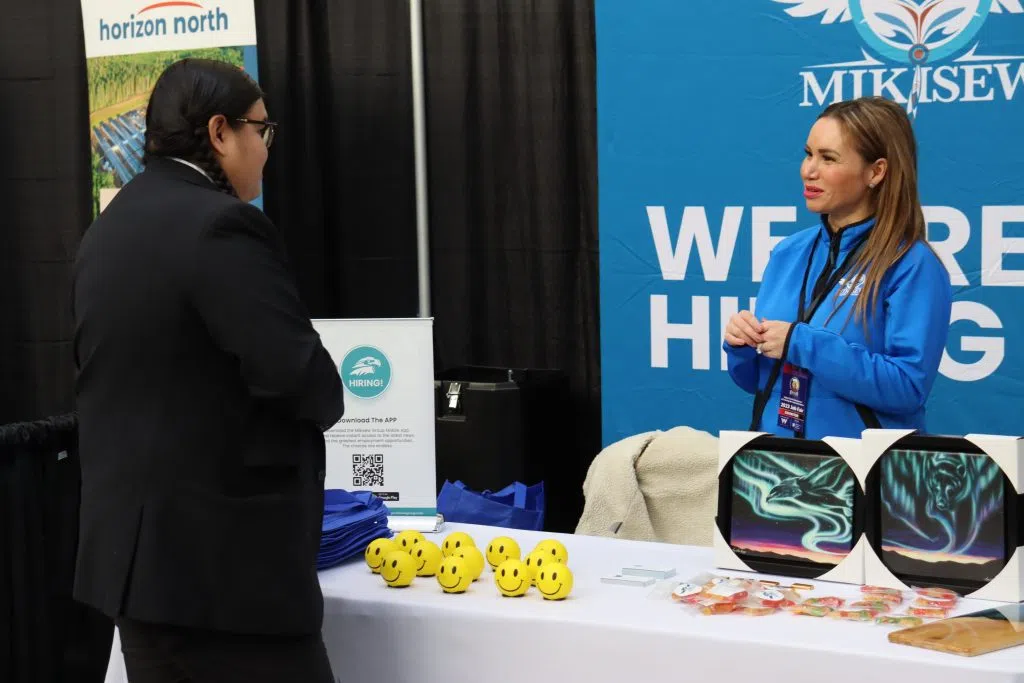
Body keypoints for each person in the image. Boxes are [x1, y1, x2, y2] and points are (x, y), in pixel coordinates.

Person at [72, 59, 343, 682]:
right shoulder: (221, 225)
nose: (266, 150)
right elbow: (301, 380)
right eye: (262, 130)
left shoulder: (105, 231)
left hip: (136, 569)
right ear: (220, 132)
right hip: (223, 577)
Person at [723, 96, 952, 440]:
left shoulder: (912, 264)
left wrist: (801, 343)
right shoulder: (788, 252)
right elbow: (757, 382)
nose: (808, 170)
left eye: (828, 158)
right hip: (777, 469)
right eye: (808, 153)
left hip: (863, 478)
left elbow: (907, 388)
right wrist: (741, 347)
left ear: (876, 171)